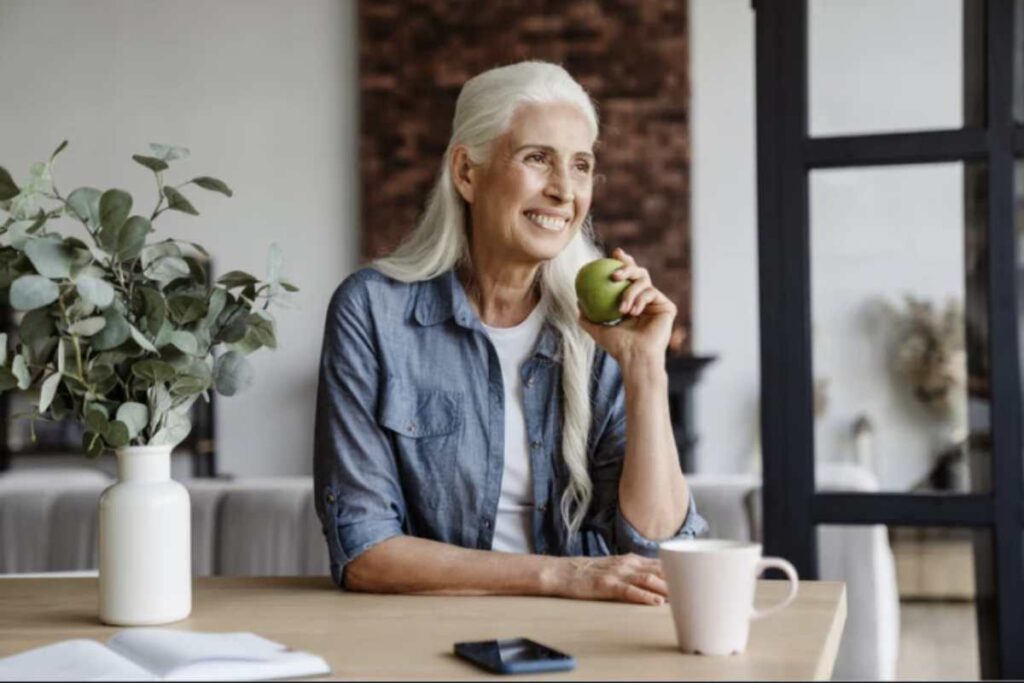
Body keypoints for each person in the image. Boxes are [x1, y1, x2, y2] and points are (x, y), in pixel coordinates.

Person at [314, 60, 707, 606]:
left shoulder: (603, 328)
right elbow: (364, 551)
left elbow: (662, 552)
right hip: (428, 634)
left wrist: (644, 368)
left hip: (588, 635)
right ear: (466, 173)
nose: (564, 190)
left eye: (581, 165)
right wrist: (563, 576)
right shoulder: (373, 312)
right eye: (536, 158)